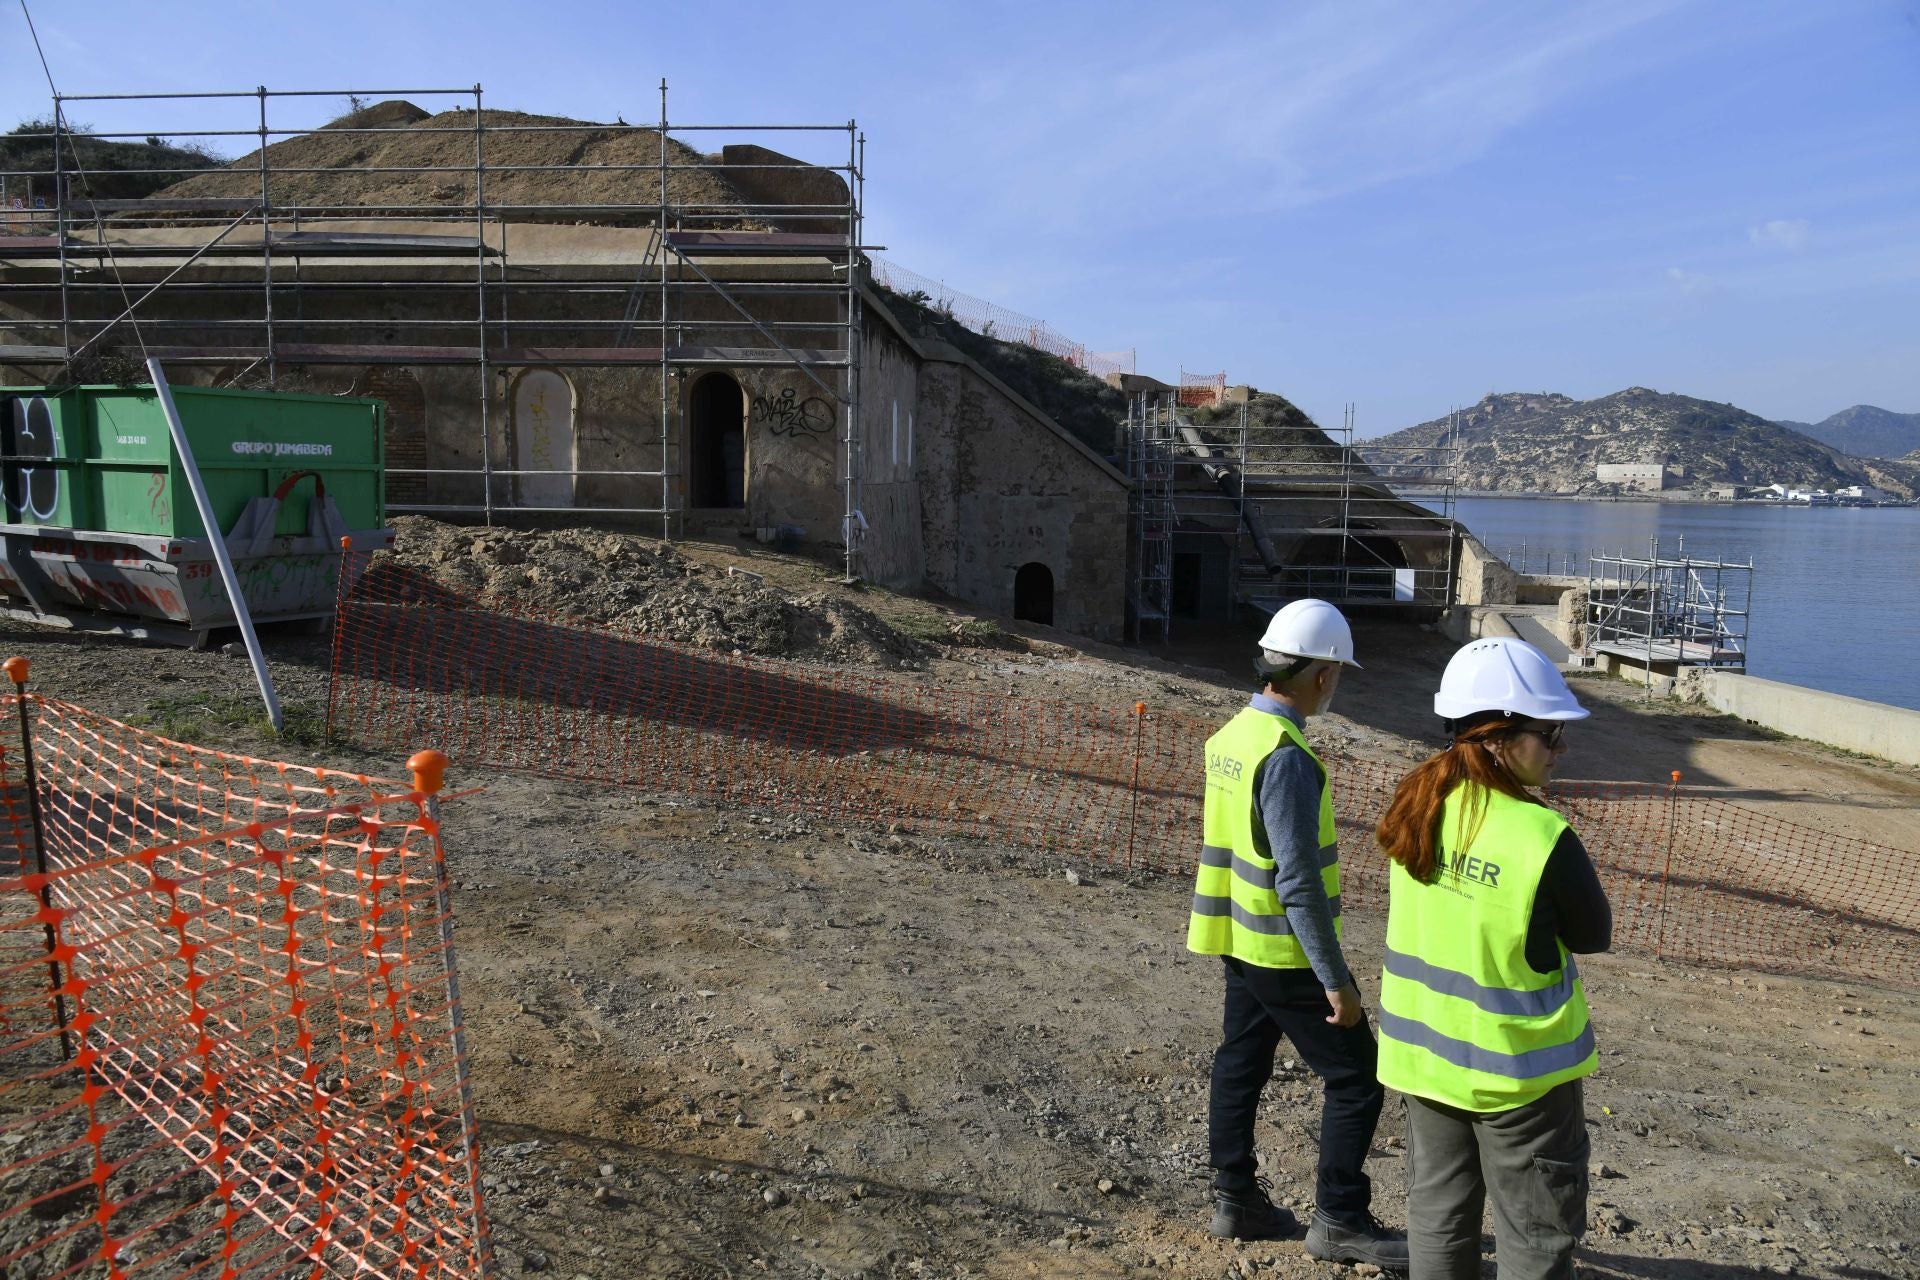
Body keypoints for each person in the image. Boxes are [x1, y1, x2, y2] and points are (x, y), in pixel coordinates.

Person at [1373, 637, 1613, 1280]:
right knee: (1536, 1233)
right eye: (1550, 731)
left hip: (1425, 1060)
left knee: (1439, 1216)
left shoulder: (1419, 804)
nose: (1561, 747)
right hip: (1518, 1077)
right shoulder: (1541, 835)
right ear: (1500, 736)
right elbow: (1592, 934)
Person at [1187, 599, 1408, 1270]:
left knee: (1242, 1060)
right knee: (1359, 1078)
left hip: (1236, 936)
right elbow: (1298, 881)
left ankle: (1236, 1199)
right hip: (1282, 950)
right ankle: (1340, 1218)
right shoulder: (1286, 758)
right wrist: (1335, 979)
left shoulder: (1231, 736)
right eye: (1337, 672)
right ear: (1319, 675)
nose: (1336, 685)